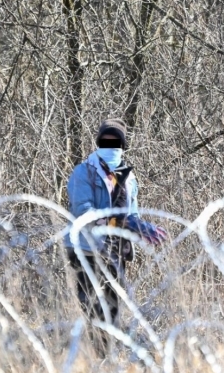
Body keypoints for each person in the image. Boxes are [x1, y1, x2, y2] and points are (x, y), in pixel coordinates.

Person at [64, 119, 167, 350]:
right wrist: (121, 221)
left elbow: (133, 213)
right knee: (92, 305)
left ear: (123, 144)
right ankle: (95, 356)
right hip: (88, 249)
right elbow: (84, 211)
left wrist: (140, 227)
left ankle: (106, 355)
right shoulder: (84, 172)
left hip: (117, 251)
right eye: (106, 140)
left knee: (112, 307)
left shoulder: (128, 178)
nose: (110, 145)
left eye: (116, 141)